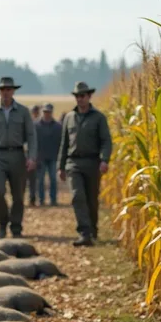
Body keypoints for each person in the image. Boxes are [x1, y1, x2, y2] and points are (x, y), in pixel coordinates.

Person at [0, 77, 37, 238]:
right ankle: (2, 223)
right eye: (3, 90)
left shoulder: (23, 111)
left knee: (18, 195)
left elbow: (31, 136)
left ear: (13, 91)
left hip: (18, 155)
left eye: (9, 90)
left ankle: (16, 226)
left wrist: (31, 157)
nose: (6, 92)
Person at [58, 81, 112, 247]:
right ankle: (84, 232)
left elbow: (106, 141)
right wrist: (60, 166)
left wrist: (104, 160)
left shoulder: (98, 118)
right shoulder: (69, 118)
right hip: (73, 163)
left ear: (89, 96)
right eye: (77, 96)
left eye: (82, 96)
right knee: (77, 196)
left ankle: (92, 229)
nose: (79, 99)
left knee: (91, 200)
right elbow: (64, 143)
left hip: (92, 162)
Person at [35, 103, 62, 207]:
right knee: (40, 180)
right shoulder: (36, 126)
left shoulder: (58, 126)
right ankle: (41, 200)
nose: (47, 114)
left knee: (53, 179)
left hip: (53, 157)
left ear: (51, 112)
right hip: (40, 157)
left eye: (48, 112)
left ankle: (53, 200)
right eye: (45, 112)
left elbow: (60, 142)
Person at [28, 105, 41, 206]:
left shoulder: (38, 125)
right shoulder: (27, 125)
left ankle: (32, 198)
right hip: (23, 155)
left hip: (33, 155)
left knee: (33, 179)